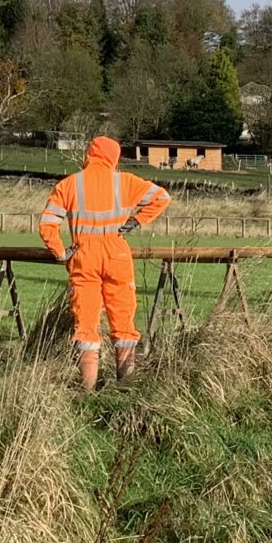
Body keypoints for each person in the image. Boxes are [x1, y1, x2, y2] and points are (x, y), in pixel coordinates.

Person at [37, 136, 170, 387]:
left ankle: (87, 390)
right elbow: (162, 197)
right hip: (117, 256)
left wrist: (60, 252)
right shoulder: (125, 182)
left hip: (83, 257)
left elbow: (47, 224)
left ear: (89, 155)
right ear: (114, 158)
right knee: (124, 321)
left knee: (86, 323)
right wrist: (136, 221)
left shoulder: (69, 184)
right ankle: (126, 386)